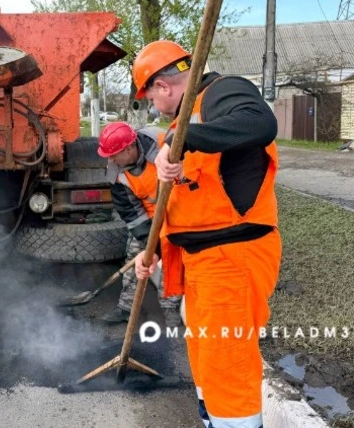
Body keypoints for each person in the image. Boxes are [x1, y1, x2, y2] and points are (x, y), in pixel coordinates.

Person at [132, 40, 280, 428]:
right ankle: (211, 420)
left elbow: (260, 124)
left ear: (162, 86)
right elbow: (184, 203)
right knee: (204, 357)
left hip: (232, 258)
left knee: (227, 364)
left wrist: (181, 141)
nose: (153, 106)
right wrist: (154, 250)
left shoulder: (222, 92)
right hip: (203, 263)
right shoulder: (183, 121)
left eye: (150, 97)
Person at [97, 121, 182, 327]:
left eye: (114, 155)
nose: (111, 160)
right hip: (147, 219)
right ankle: (126, 308)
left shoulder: (161, 144)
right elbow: (129, 211)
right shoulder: (115, 172)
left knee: (173, 261)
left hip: (179, 212)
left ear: (128, 148)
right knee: (136, 259)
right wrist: (149, 240)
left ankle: (170, 308)